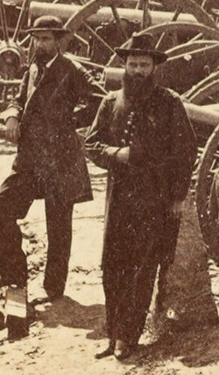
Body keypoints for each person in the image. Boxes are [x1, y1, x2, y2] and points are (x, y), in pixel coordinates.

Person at [84, 33, 196, 361]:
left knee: (142, 268)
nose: (137, 71)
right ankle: (112, 333)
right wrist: (116, 154)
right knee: (112, 266)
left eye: (144, 65)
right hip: (119, 198)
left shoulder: (169, 103)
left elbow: (186, 151)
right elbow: (90, 143)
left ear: (153, 68)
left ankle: (127, 337)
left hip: (154, 198)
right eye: (132, 64)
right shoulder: (111, 102)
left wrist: (177, 197)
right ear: (124, 65)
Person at [0, 15, 98, 303]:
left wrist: (68, 122)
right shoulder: (33, 68)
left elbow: (97, 100)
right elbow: (18, 100)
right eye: (36, 38)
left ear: (58, 41)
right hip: (31, 160)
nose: (40, 44)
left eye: (46, 39)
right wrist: (12, 116)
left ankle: (53, 288)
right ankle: (13, 275)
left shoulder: (71, 69)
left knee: (58, 227)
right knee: (0, 206)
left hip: (61, 160)